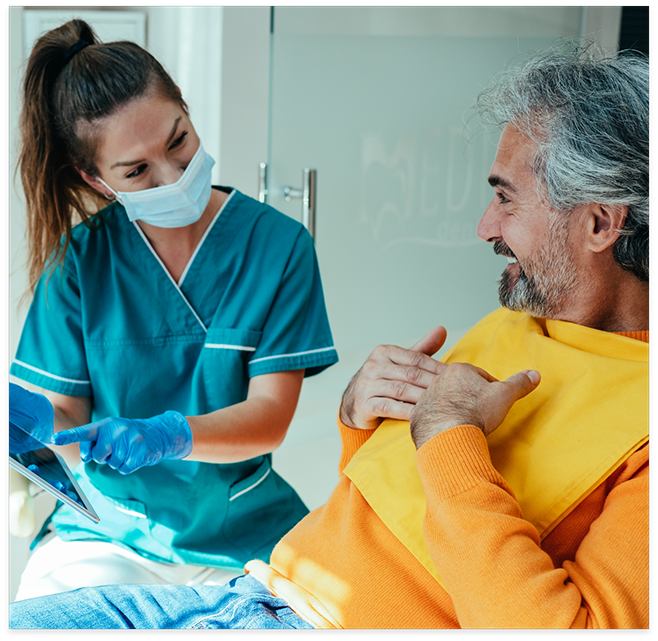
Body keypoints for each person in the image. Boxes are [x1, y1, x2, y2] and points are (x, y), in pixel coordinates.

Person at [10, 42, 648, 629]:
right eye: (137, 170)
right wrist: (358, 421)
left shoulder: (634, 425)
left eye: (506, 199)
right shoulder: (521, 316)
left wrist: (448, 435)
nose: (484, 226)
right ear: (96, 180)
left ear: (599, 223)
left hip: (283, 593)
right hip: (264, 587)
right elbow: (383, 505)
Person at [9, 19, 338, 600]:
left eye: (178, 139)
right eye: (136, 170)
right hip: (109, 534)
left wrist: (170, 434)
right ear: (96, 179)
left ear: (186, 109)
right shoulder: (80, 263)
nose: (174, 174)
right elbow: (62, 415)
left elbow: (270, 418)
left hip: (244, 532)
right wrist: (33, 428)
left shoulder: (280, 247)